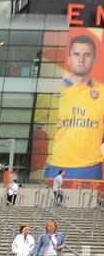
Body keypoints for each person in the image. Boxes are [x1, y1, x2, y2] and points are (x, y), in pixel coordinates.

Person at [43, 33, 104, 181]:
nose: (81, 59)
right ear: (69, 59)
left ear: (94, 60)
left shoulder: (102, 92)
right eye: (76, 54)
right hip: (55, 165)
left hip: (90, 166)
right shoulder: (51, 91)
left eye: (86, 55)